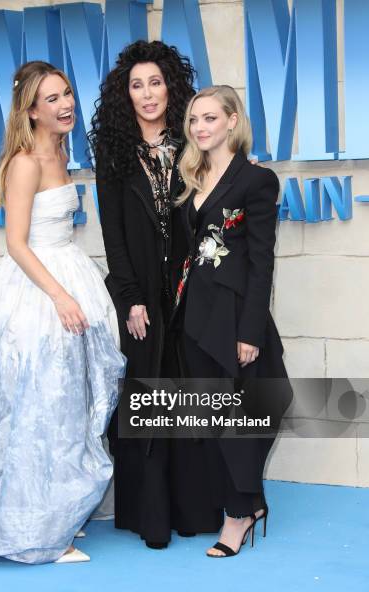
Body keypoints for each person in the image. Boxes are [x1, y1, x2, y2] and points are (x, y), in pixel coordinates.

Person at [0, 61, 125, 565]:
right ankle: (39, 532)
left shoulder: (61, 150)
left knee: (64, 410)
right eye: (52, 99)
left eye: (67, 94)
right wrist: (61, 297)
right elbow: (16, 243)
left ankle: (57, 511)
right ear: (31, 110)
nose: (65, 105)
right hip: (35, 292)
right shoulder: (24, 162)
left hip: (68, 269)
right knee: (42, 411)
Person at [88, 41, 223, 549]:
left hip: (190, 290)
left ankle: (194, 510)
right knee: (146, 397)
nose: (148, 94)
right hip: (141, 292)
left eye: (156, 82)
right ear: (126, 94)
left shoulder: (194, 143)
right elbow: (113, 233)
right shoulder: (114, 152)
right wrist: (129, 299)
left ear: (172, 87)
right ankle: (151, 518)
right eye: (136, 85)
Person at [173, 85, 291, 557]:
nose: (201, 128)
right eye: (194, 121)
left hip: (234, 319)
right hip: (194, 318)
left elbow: (263, 261)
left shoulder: (256, 180)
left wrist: (249, 332)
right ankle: (245, 503)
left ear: (232, 121)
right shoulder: (191, 175)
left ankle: (239, 515)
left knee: (238, 420)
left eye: (209, 118)